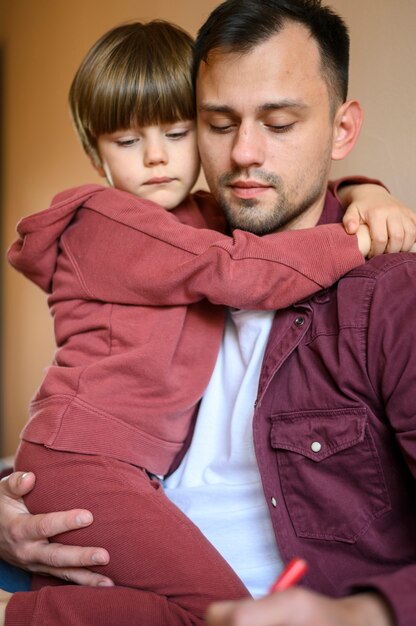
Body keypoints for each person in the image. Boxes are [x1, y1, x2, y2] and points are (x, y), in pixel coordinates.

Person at [1, 1, 416, 625]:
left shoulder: (388, 296)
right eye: (218, 124)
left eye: (278, 123)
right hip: (114, 534)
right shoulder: (177, 242)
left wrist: (361, 615)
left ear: (340, 130)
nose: (245, 154)